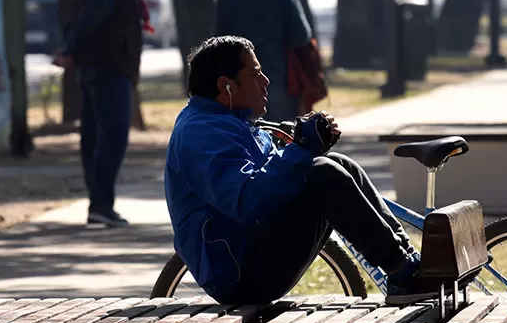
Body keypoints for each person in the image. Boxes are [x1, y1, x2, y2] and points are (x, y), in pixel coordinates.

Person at [164, 36, 429, 305]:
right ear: (226, 86)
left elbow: (271, 179)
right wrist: (300, 151)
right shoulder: (200, 134)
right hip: (238, 275)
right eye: (255, 74)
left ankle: (409, 263)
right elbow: (247, 200)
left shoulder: (232, 122)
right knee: (323, 172)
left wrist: (305, 146)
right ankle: (406, 275)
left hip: (252, 250)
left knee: (339, 164)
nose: (265, 81)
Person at [54, 0, 149, 227]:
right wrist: (70, 51)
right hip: (108, 64)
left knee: (94, 135)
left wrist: (72, 52)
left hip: (98, 64)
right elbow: (92, 16)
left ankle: (98, 201)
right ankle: (101, 202)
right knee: (113, 135)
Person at [216, 0, 315, 122]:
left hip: (237, 87)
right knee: (280, 140)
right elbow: (301, 36)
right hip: (279, 82)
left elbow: (218, 45)